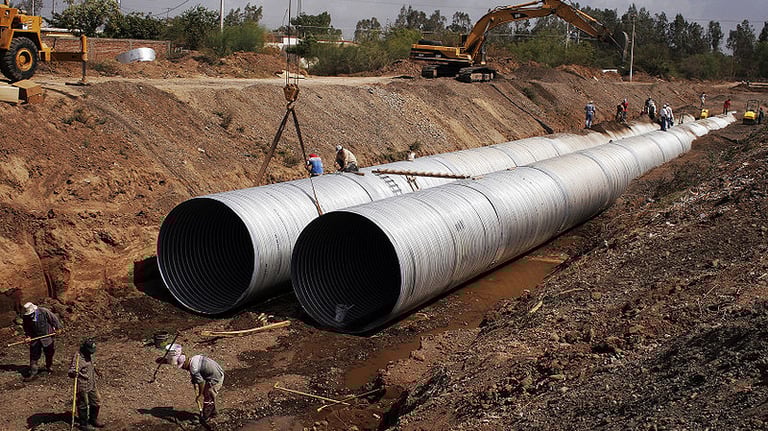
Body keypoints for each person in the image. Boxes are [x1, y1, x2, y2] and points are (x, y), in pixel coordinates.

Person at [163, 345, 225, 424]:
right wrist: (194, 379)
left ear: (185, 363)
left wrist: (200, 395)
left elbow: (201, 382)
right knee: (209, 396)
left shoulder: (193, 368)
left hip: (216, 377)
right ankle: (213, 413)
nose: (183, 368)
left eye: (183, 366)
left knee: (208, 396)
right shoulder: (195, 358)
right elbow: (198, 374)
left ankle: (205, 417)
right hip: (217, 372)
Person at [69, 339, 105, 430]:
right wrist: (73, 373)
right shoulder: (78, 358)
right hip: (82, 385)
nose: (91, 353)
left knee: (96, 402)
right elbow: (71, 371)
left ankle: (93, 420)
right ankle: (83, 424)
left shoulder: (90, 354)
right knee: (83, 405)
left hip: (92, 383)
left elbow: (92, 364)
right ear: (85, 349)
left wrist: (97, 371)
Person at [21, 302, 62, 380]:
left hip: (46, 336)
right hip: (35, 337)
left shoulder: (43, 311)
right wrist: (28, 336)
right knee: (34, 355)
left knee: (49, 352)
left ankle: (49, 366)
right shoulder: (26, 317)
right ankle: (33, 372)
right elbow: (26, 328)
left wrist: (58, 328)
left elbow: (54, 319)